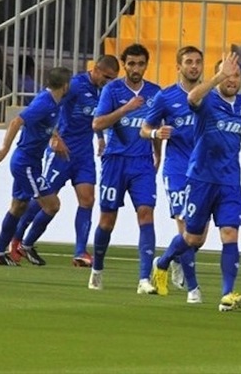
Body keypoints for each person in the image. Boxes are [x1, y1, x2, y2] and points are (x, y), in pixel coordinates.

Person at [150, 52, 241, 312]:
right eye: (228, 75)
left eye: (236, 75)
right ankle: (163, 262)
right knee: (192, 238)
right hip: (200, 179)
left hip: (230, 182)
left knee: (230, 233)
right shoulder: (207, 100)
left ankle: (227, 294)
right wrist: (218, 76)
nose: (233, 80)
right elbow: (192, 97)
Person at [10, 55, 120, 267]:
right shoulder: (76, 86)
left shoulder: (104, 91)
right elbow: (50, 103)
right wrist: (54, 137)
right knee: (44, 200)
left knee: (87, 200)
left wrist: (99, 138)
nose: (108, 81)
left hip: (84, 153)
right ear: (95, 70)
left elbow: (96, 118)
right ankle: (17, 239)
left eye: (113, 78)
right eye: (106, 77)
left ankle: (79, 252)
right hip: (62, 152)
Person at [88, 44, 162, 294]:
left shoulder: (155, 92)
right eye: (131, 64)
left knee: (146, 214)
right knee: (107, 220)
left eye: (140, 64)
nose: (136, 69)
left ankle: (144, 279)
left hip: (142, 163)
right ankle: (97, 269)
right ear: (125, 64)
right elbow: (97, 122)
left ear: (146, 65)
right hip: (115, 161)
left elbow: (156, 126)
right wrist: (125, 109)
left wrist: (158, 154)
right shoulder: (112, 89)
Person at [0, 67, 72, 266]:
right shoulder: (44, 103)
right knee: (52, 205)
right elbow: (17, 121)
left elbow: (44, 125)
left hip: (31, 162)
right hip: (25, 163)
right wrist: (4, 149)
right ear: (66, 85)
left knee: (18, 207)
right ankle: (26, 244)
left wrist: (56, 137)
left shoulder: (53, 102)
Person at [141, 46, 205, 303]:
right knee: (187, 227)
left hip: (204, 172)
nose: (194, 66)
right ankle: (194, 289)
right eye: (188, 62)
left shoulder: (210, 96)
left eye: (198, 62)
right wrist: (156, 134)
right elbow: (145, 128)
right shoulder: (166, 97)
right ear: (178, 66)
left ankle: (165, 260)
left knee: (197, 239)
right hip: (177, 169)